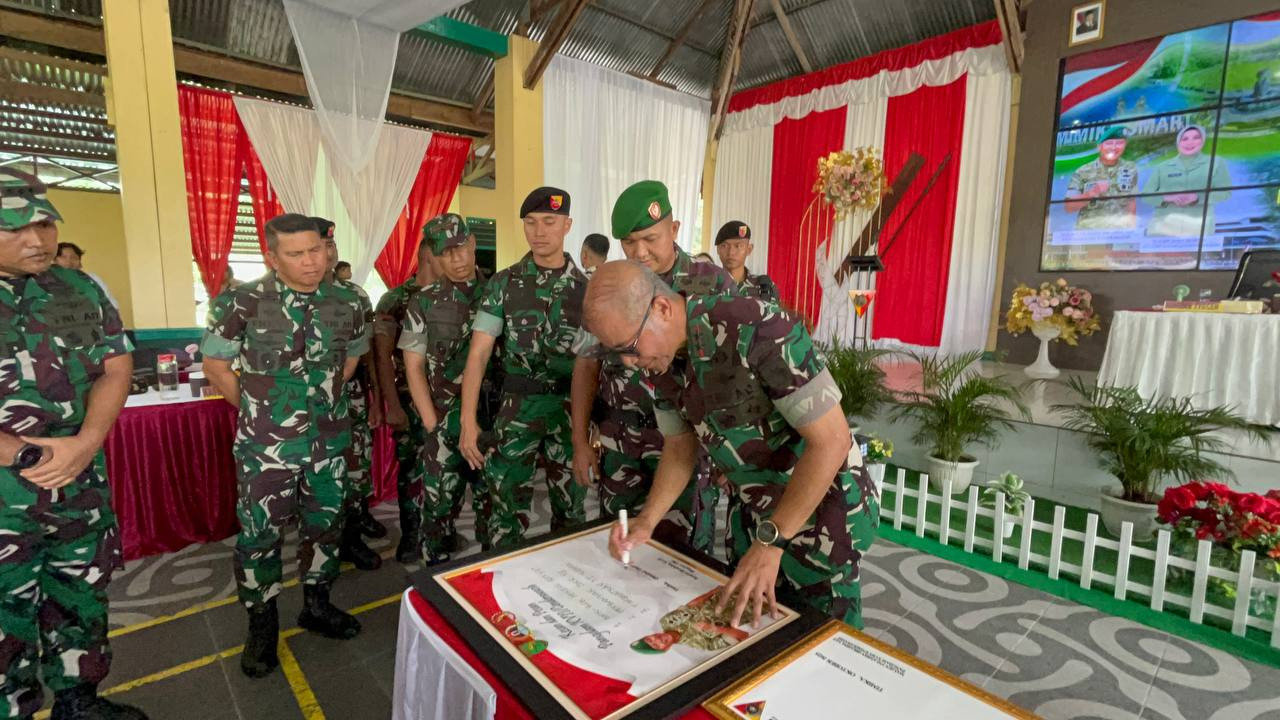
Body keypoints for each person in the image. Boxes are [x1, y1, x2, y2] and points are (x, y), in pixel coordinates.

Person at [590, 261, 878, 629]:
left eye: (629, 347)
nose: (629, 362)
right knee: (756, 633)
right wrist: (647, 520)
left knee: (822, 640)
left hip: (824, 518)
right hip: (756, 514)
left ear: (661, 308)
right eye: (616, 353)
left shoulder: (758, 328)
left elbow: (832, 442)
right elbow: (680, 444)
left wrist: (771, 543)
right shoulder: (660, 361)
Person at [0, 169, 145, 719]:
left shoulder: (79, 288)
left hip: (78, 483)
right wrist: (23, 454)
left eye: (43, 224)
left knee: (82, 594)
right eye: (14, 229)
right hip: (6, 494)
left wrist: (86, 442)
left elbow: (116, 367)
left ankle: (79, 702)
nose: (36, 240)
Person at [201, 213, 370, 679]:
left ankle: (317, 605)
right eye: (296, 254)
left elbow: (351, 358)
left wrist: (324, 402)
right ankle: (262, 623)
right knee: (260, 535)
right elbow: (216, 367)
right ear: (272, 257)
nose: (311, 261)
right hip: (266, 450)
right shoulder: (241, 302)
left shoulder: (349, 300)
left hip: (328, 443)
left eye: (316, 250)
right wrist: (261, 413)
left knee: (326, 526)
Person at [570, 181, 732, 553]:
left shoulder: (711, 285)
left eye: (650, 239)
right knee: (623, 542)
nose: (640, 252)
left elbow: (732, 375)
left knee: (685, 552)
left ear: (674, 230)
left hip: (689, 446)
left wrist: (729, 451)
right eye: (629, 242)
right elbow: (586, 365)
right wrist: (580, 440)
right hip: (622, 440)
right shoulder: (614, 287)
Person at [458, 187, 588, 549]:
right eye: (530, 222)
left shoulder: (587, 289)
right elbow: (478, 355)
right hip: (517, 410)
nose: (539, 231)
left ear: (567, 225)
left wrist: (591, 426)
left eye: (549, 222)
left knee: (572, 510)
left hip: (569, 411)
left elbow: (594, 364)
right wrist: (468, 421)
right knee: (505, 509)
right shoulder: (504, 283)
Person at [399, 214, 493, 564]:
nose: (456, 259)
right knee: (438, 513)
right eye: (445, 253)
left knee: (495, 511)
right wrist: (431, 423)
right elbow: (413, 366)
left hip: (491, 421)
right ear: (434, 257)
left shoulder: (497, 293)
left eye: (460, 248)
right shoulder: (423, 302)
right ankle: (435, 580)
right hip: (443, 422)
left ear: (472, 243)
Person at [313, 217, 383, 571]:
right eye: (320, 246)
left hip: (350, 397)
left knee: (356, 467)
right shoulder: (284, 297)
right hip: (307, 405)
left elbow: (367, 352)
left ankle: (352, 536)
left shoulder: (354, 296)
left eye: (331, 246)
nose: (327, 254)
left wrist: (375, 398)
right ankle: (321, 547)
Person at [373, 239, 440, 563]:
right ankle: (411, 534)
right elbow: (382, 357)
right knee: (411, 469)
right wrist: (393, 406)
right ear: (428, 257)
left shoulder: (451, 296)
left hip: (445, 399)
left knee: (443, 469)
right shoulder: (395, 299)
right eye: (446, 254)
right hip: (408, 399)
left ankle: (438, 530)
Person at [1142, 125, 1231, 237]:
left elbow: (1225, 193)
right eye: (1185, 139)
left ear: (1203, 141)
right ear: (1178, 142)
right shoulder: (1162, 167)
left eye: (1196, 138)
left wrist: (1197, 197)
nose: (1190, 143)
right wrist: (1168, 198)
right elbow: (1145, 196)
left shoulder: (1216, 163)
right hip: (1162, 231)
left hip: (1198, 230)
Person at [1064, 126, 1139, 230]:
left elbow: (1131, 202)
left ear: (1125, 145)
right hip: (1089, 233)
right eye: (1109, 143)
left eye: (1119, 143)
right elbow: (1069, 207)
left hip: (1119, 233)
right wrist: (1092, 192)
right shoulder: (1082, 171)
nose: (1114, 147)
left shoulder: (1130, 168)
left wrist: (1132, 231)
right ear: (1099, 146)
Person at [714, 221, 779, 302]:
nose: (731, 252)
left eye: (738, 246)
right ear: (718, 250)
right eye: (725, 246)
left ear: (749, 249)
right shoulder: (706, 285)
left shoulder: (765, 286)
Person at [54, 241, 121, 310]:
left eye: (74, 257)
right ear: (54, 261)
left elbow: (112, 306)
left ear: (80, 263)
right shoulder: (48, 281)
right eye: (63, 257)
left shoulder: (92, 279)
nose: (69, 261)